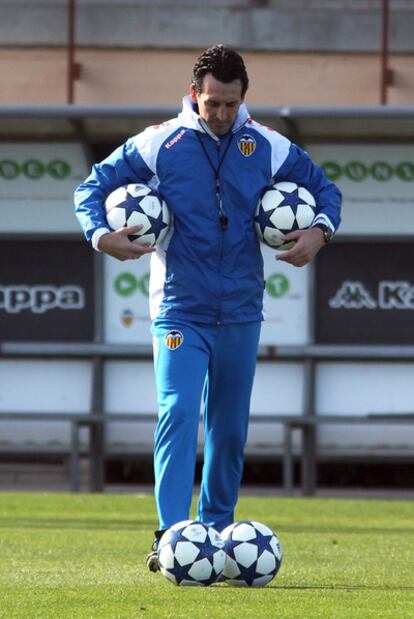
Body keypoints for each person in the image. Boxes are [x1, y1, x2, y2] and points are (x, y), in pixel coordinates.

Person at [74, 44, 342, 572]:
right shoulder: (157, 144)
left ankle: (216, 531)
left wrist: (319, 232)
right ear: (195, 93)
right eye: (211, 103)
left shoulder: (267, 146)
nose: (219, 114)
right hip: (179, 308)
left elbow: (325, 190)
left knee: (228, 426)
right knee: (177, 411)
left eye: (229, 104)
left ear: (244, 98)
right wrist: (101, 235)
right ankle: (171, 534)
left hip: (242, 309)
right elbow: (92, 187)